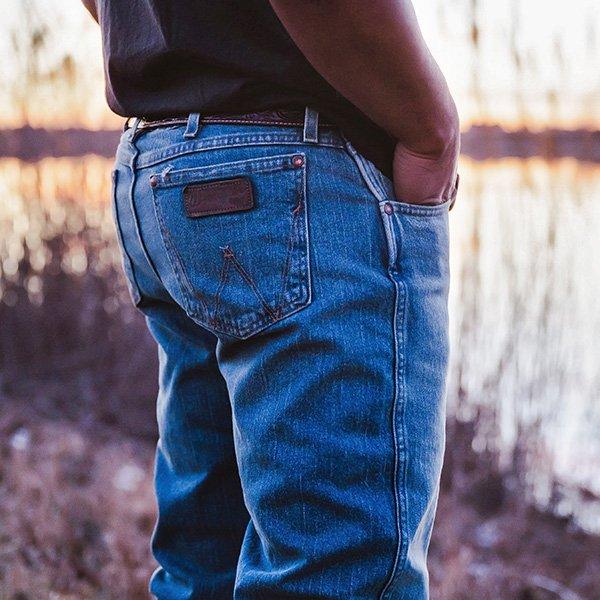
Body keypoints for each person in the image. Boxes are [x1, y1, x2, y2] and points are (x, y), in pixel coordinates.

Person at [82, 1, 460, 598]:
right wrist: (430, 131)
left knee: (203, 562)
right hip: (294, 174)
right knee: (335, 573)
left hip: (162, 163)